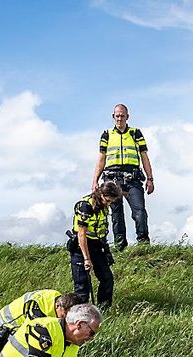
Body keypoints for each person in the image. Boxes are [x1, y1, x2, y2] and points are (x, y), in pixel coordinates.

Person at [91, 103, 155, 250]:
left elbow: (144, 157)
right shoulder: (106, 134)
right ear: (113, 117)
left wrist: (150, 178)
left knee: (139, 212)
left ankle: (143, 244)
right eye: (117, 116)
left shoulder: (135, 133)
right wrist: (95, 180)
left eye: (122, 115)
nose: (119, 118)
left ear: (127, 116)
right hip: (112, 179)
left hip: (133, 178)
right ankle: (120, 246)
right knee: (116, 213)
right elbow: (101, 159)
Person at [68, 182, 123, 308]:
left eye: (111, 202)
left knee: (107, 278)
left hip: (98, 246)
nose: (109, 203)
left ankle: (103, 310)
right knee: (82, 287)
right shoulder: (85, 206)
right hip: (81, 247)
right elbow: (81, 234)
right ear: (101, 194)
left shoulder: (103, 206)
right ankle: (80, 317)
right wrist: (86, 258)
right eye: (108, 200)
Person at [0, 289, 78, 356]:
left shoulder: (56, 298)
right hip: (1, 329)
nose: (65, 321)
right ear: (58, 306)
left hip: (11, 326)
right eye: (63, 316)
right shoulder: (38, 309)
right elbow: (31, 337)